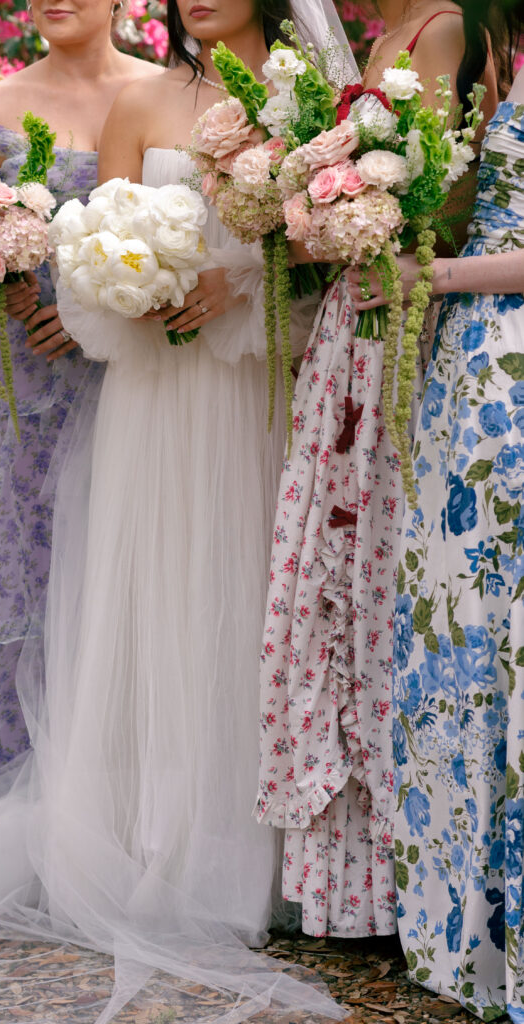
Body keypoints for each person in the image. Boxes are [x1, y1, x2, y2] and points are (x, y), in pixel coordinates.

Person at [0, 2, 353, 1021]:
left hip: (253, 388)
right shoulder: (146, 101)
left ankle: (262, 850)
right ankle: (145, 835)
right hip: (149, 399)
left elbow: (330, 255)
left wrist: (241, 281)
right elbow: (91, 259)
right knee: (150, 605)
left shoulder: (314, 102)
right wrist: (125, 295)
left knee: (245, 604)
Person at [255, 0, 499, 940]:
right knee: (324, 583)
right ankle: (342, 886)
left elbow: (441, 207)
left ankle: (398, 888)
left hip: (400, 333)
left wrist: (346, 213)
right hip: (347, 331)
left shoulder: (440, 27)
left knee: (370, 587)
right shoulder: (374, 39)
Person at [0, 0, 159, 801]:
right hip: (16, 381)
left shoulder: (163, 93)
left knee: (117, 591)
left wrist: (98, 313)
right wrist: (8, 281)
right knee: (14, 593)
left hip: (135, 378)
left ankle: (103, 807)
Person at [349, 0, 524, 1013]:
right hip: (463, 375)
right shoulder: (489, 49)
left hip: (490, 343)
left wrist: (435, 274)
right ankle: (461, 934)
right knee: (451, 638)